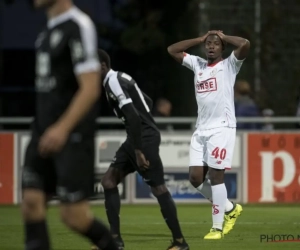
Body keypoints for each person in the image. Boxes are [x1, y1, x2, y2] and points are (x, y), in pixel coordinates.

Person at [21, 1, 118, 250]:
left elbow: (90, 87)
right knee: (31, 202)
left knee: (73, 217)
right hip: (42, 130)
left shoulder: (79, 25)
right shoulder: (46, 31)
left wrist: (62, 128)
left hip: (71, 135)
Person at [94, 49, 189, 250]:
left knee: (158, 188)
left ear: (102, 65)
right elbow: (147, 102)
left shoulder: (113, 81)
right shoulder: (119, 78)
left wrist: (138, 150)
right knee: (108, 181)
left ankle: (180, 242)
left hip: (143, 139)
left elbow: (134, 117)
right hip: (137, 137)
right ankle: (115, 241)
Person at [167, 30, 250, 239]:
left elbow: (245, 44)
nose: (211, 46)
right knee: (195, 179)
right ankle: (230, 208)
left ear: (222, 48)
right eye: (208, 44)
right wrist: (200, 38)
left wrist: (223, 36)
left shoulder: (230, 65)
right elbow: (172, 50)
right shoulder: (198, 64)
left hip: (222, 128)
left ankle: (217, 228)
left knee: (215, 176)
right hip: (201, 129)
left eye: (216, 44)